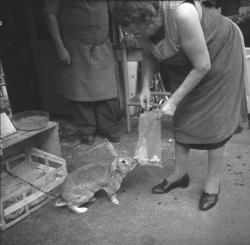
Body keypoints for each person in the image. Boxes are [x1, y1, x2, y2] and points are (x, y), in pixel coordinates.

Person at [112, 0, 248, 211]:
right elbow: (149, 51)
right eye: (132, 32)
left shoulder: (182, 13)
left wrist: (173, 101)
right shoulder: (138, 24)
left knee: (214, 119)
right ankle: (179, 174)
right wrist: (146, 87)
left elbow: (202, 65)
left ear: (153, 18)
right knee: (183, 115)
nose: (136, 36)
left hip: (218, 54)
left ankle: (213, 182)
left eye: (138, 31)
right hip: (186, 60)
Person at [44, 0, 121, 145]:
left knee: (107, 87)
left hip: (102, 43)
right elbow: (50, 15)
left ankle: (108, 126)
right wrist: (60, 48)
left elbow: (114, 10)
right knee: (79, 90)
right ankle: (86, 130)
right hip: (74, 46)